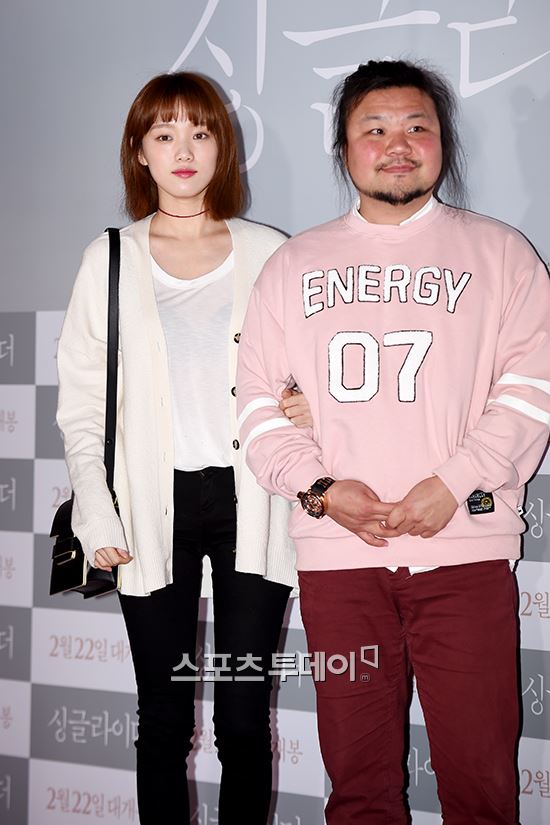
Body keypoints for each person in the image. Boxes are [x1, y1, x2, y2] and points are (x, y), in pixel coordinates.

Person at [236, 59, 550, 824]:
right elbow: (256, 408)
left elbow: (530, 392)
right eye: (374, 129)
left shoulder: (502, 253)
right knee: (359, 789)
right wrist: (321, 489)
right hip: (341, 564)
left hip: (465, 551)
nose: (398, 144)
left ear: (443, 141)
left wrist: (454, 481)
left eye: (417, 126)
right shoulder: (291, 265)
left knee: (481, 788)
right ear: (345, 147)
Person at [56, 71, 312, 825]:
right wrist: (95, 511)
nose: (184, 150)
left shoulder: (271, 251)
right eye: (164, 134)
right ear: (140, 152)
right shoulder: (109, 258)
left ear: (222, 146)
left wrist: (310, 406)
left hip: (250, 502)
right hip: (150, 505)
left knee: (243, 719)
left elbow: (311, 371)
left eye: (200, 132)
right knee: (164, 719)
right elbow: (81, 406)